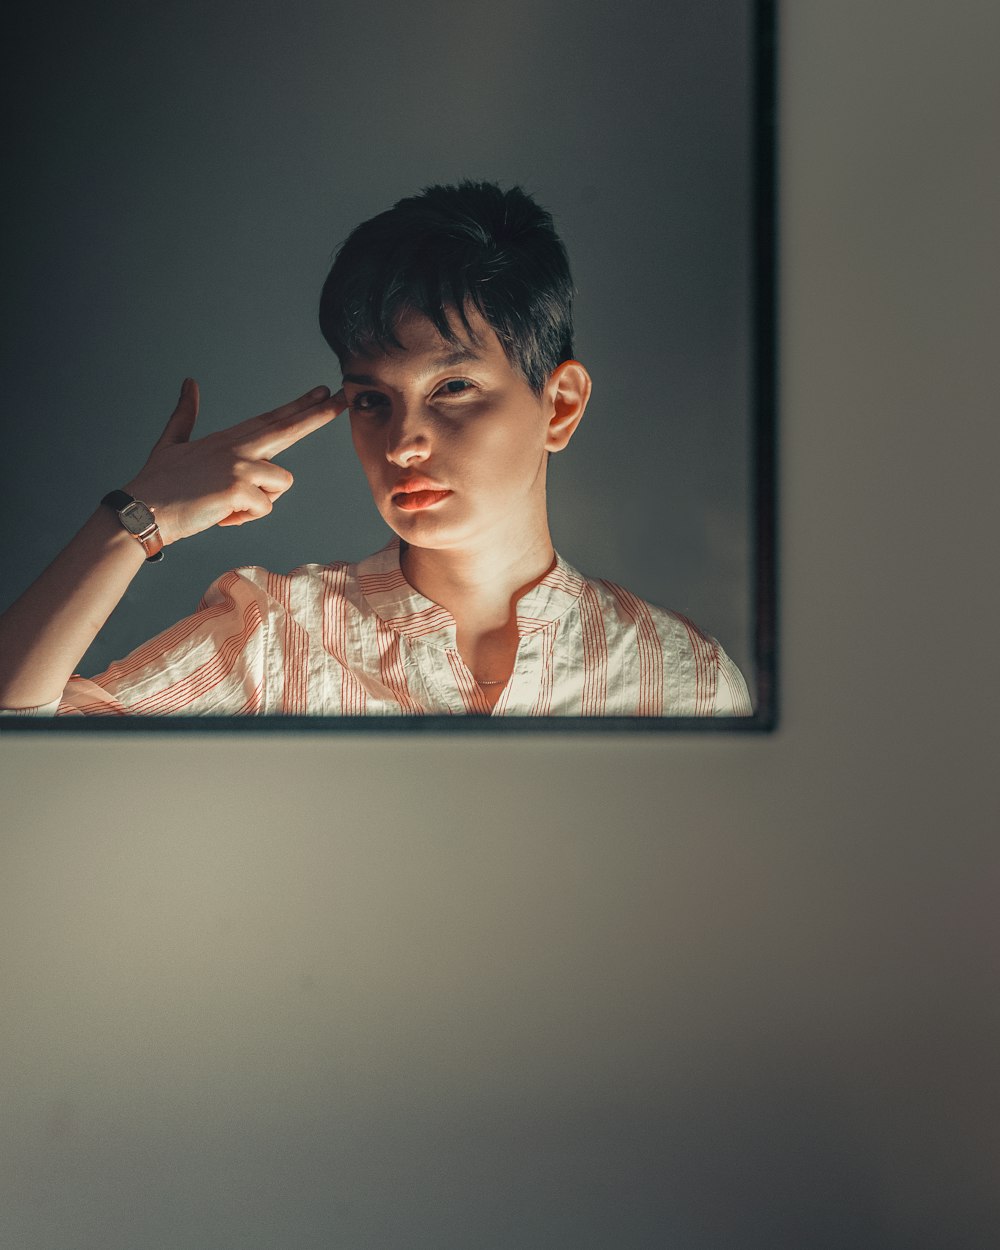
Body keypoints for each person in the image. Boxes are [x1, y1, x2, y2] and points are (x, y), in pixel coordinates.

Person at [0, 181, 751, 718]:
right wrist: (136, 518)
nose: (404, 441)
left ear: (560, 405)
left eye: (453, 387)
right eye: (371, 401)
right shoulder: (273, 634)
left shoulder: (683, 679)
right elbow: (25, 764)